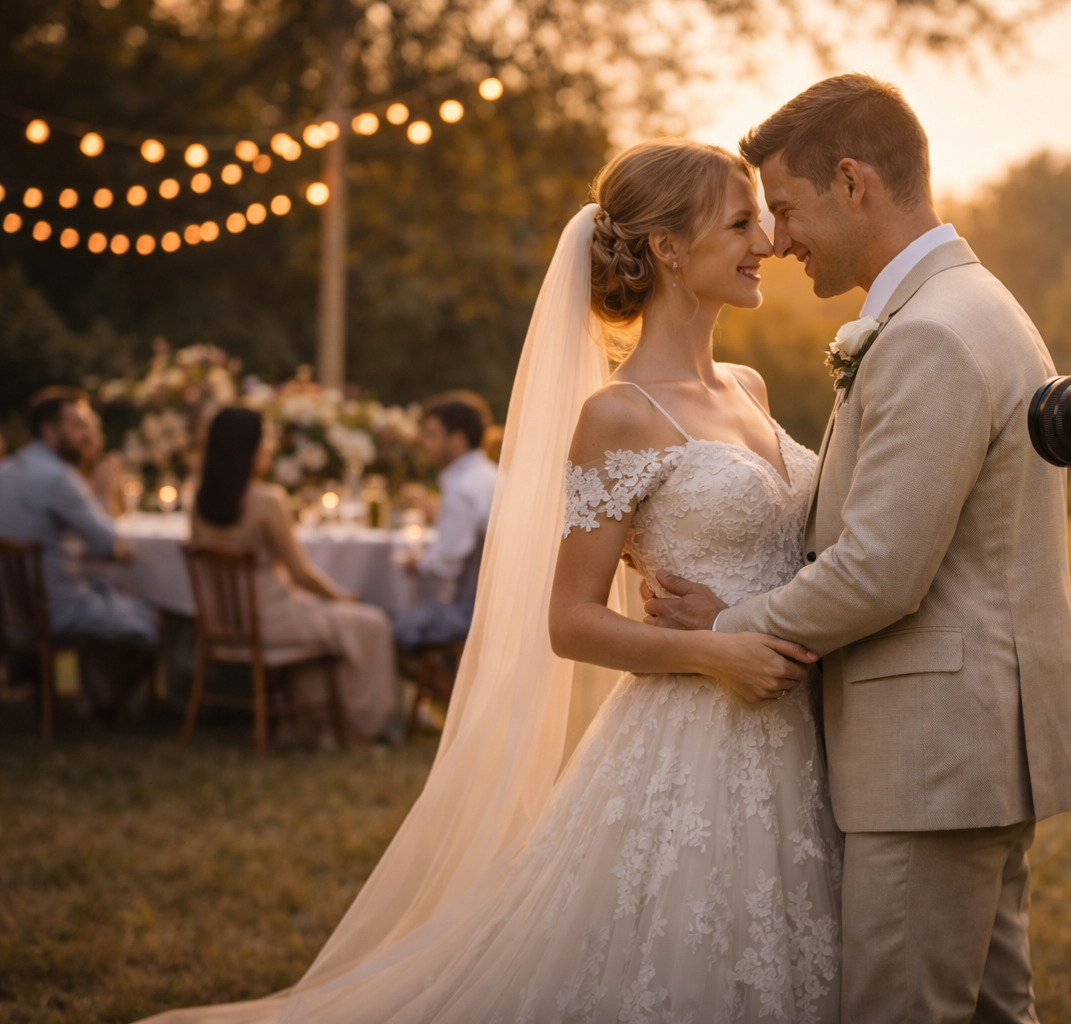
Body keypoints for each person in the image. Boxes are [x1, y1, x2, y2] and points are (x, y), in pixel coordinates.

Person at [141, 138, 840, 1024]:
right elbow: (571, 622)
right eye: (742, 221)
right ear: (667, 248)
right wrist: (714, 655)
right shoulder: (620, 413)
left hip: (798, 728)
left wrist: (747, 619)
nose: (766, 240)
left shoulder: (751, 386)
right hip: (695, 729)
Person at [643, 74, 1071, 1024]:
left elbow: (880, 571)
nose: (778, 237)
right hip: (970, 740)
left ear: (854, 182)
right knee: (988, 1008)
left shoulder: (931, 331)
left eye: (792, 208)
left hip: (932, 754)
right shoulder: (966, 303)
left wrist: (731, 625)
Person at [190, 407, 398, 744]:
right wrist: (343, 598)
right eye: (266, 441)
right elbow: (301, 574)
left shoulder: (197, 503)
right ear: (250, 449)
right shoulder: (266, 503)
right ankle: (363, 726)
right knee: (371, 622)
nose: (271, 448)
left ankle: (312, 723)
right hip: (272, 620)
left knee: (329, 622)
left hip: (226, 622)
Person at [0, 387, 157, 721]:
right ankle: (106, 702)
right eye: (78, 426)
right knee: (151, 620)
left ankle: (97, 696)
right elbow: (106, 543)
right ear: (49, 431)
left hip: (12, 613)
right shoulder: (58, 477)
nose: (88, 435)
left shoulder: (9, 470)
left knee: (110, 596)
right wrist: (104, 488)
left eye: (89, 425)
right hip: (58, 611)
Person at [392, 401, 497, 649]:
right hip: (500, 606)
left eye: (432, 435)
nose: (424, 443)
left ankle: (446, 686)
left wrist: (416, 563)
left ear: (457, 439)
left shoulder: (462, 489)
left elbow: (448, 562)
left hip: (471, 613)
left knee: (392, 624)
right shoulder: (492, 476)